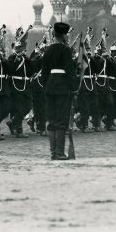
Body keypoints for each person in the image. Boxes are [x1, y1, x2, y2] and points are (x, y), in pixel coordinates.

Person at [40, 21, 78, 159]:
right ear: (63, 36)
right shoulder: (66, 50)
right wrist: (74, 89)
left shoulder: (48, 50)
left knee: (51, 120)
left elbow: (43, 73)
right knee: (61, 120)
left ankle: (53, 152)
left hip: (50, 87)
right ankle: (59, 152)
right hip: (62, 88)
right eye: (66, 35)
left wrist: (47, 86)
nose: (68, 37)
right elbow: (70, 72)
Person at [6, 26, 33, 138]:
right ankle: (18, 130)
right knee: (18, 108)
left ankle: (13, 123)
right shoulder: (12, 58)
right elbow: (10, 69)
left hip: (25, 85)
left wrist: (25, 58)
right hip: (16, 85)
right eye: (19, 48)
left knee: (27, 106)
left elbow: (31, 70)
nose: (21, 50)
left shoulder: (25, 59)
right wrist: (16, 59)